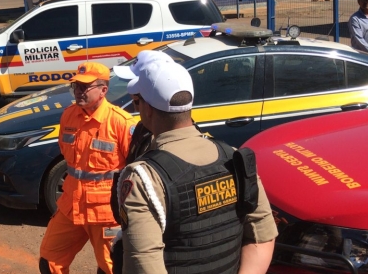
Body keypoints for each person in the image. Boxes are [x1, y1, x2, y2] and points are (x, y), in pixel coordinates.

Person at [114, 59, 277, 274]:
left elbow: (143, 262)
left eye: (137, 102)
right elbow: (262, 234)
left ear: (147, 109)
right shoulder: (233, 157)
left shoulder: (144, 178)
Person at [40, 62, 136, 274]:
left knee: (112, 269)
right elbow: (68, 156)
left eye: (85, 87)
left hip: (105, 213)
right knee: (49, 261)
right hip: (71, 205)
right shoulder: (68, 115)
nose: (78, 92)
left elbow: (136, 171)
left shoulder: (120, 122)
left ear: (103, 90)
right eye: (76, 87)